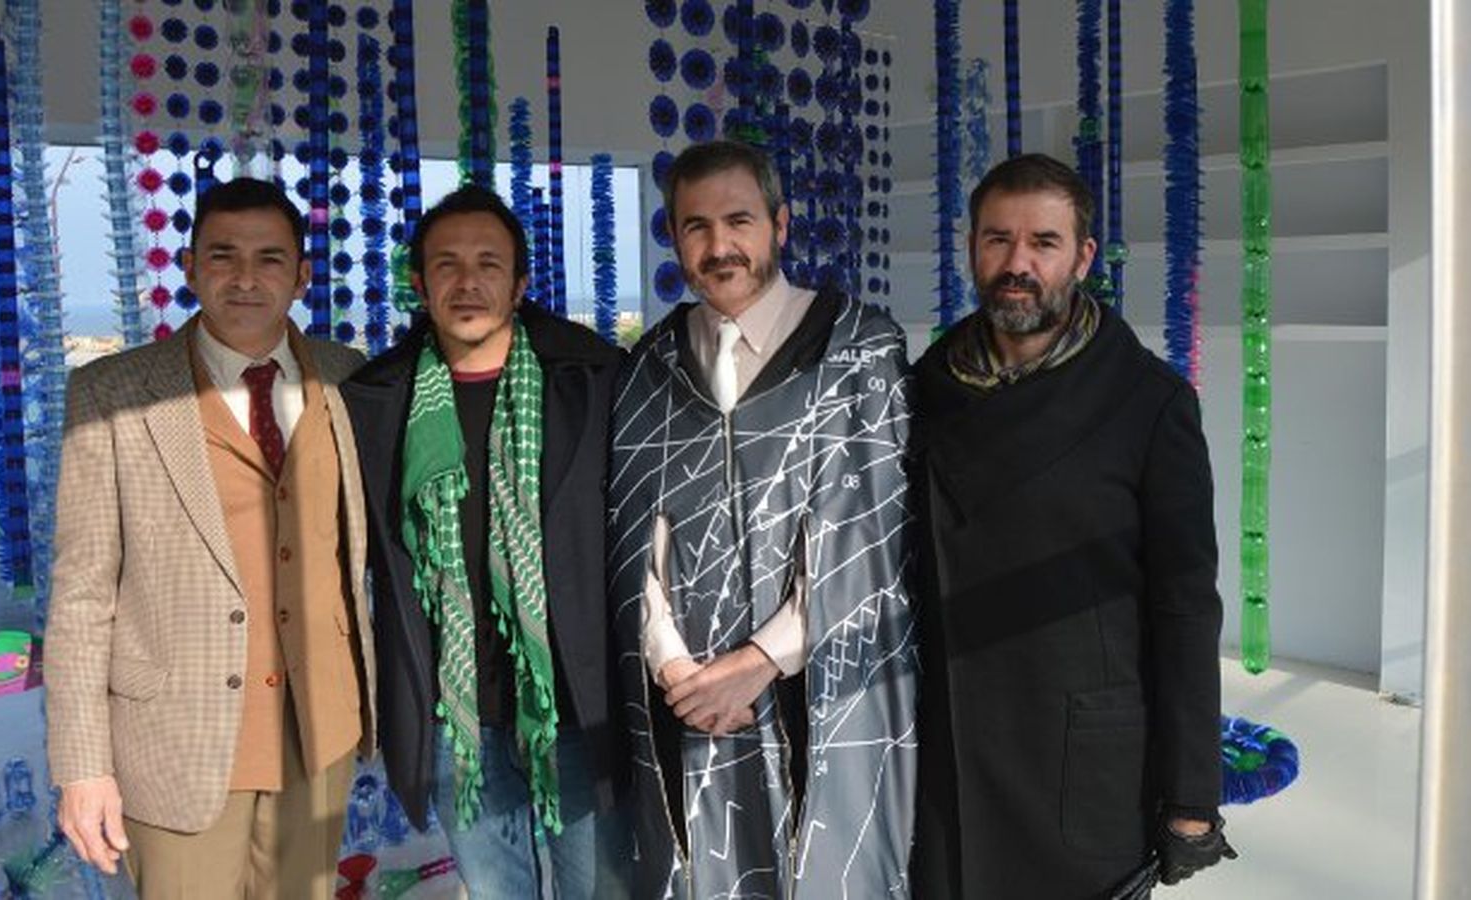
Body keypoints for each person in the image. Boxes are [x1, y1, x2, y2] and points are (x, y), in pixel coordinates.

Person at [909, 153, 1237, 898]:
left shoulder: (1149, 402)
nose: (1017, 264)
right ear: (971, 247)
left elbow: (1186, 607)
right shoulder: (925, 387)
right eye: (998, 239)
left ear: (1083, 257)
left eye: (1044, 243)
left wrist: (1192, 796)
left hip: (1081, 760)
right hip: (947, 755)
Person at [46, 177, 375, 899]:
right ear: (190, 267)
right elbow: (81, 594)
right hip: (177, 744)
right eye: (223, 256)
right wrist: (81, 765)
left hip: (319, 734)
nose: (245, 278)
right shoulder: (111, 393)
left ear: (302, 275)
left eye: (269, 258)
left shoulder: (350, 380)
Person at [607, 139, 918, 897]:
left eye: (739, 221)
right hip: (690, 714)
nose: (719, 246)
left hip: (821, 699)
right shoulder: (650, 368)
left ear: (780, 223)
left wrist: (756, 664)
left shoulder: (858, 351)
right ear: (673, 235)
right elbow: (630, 536)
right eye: (696, 226)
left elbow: (872, 538)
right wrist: (676, 670)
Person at [340, 185, 628, 899]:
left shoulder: (594, 382)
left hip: (576, 707)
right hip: (456, 717)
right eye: (447, 264)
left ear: (521, 283)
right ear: (419, 283)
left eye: (488, 264)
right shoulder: (376, 401)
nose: (467, 282)